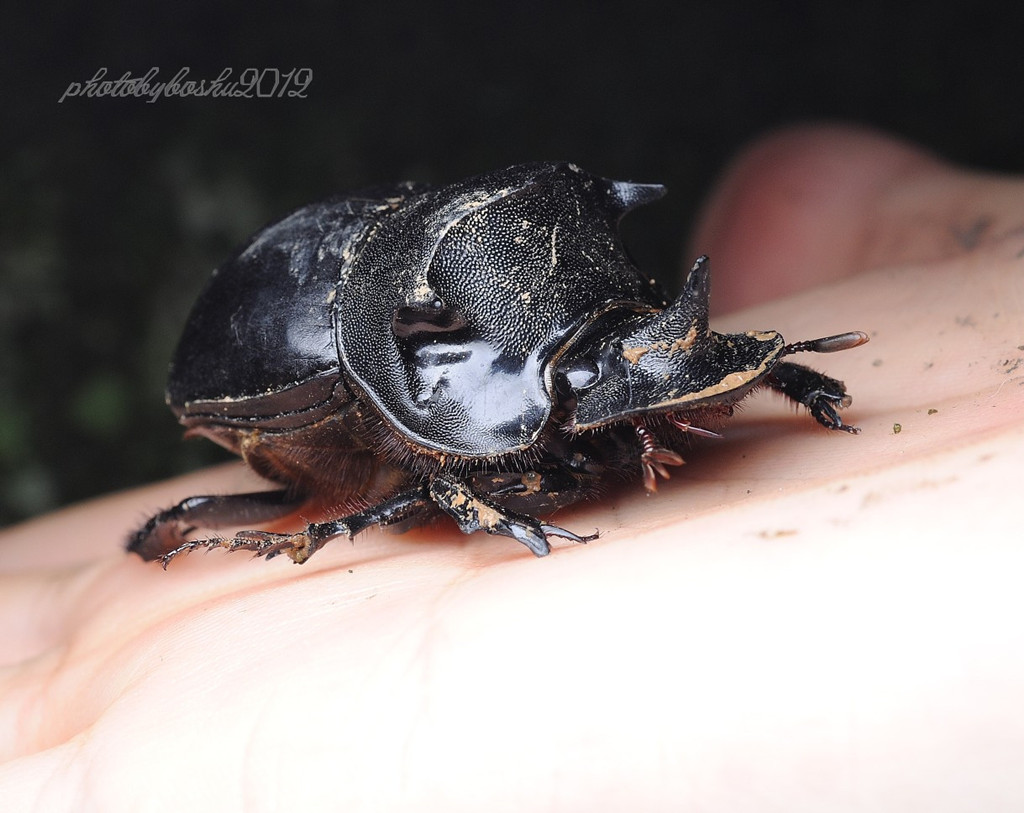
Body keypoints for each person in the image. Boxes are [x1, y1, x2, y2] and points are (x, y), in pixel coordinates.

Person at [2, 125, 1021, 810]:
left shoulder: (489, 280)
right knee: (381, 489)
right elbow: (449, 455)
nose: (630, 430)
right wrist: (436, 492)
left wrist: (759, 371)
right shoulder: (406, 361)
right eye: (591, 389)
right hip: (306, 370)